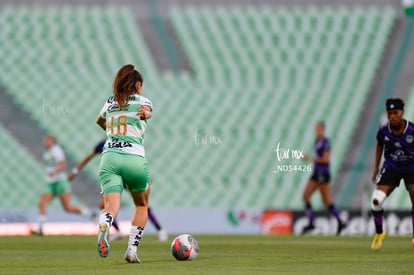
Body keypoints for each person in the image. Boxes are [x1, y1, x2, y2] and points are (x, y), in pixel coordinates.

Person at [95, 64, 153, 263]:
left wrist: (111, 130)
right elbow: (147, 112)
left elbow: (99, 121)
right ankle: (131, 251)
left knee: (111, 206)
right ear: (138, 84)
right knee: (141, 204)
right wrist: (145, 114)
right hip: (133, 158)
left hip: (109, 157)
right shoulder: (143, 101)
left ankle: (105, 225)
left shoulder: (110, 102)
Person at [68, 140, 168, 242]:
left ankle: (160, 229)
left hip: (127, 176)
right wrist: (75, 171)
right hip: (113, 177)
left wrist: (143, 175)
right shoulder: (104, 144)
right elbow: (87, 158)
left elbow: (134, 159)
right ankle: (118, 231)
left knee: (141, 203)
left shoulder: (123, 141)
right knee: (103, 205)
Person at [370, 98, 414, 250]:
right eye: (390, 113)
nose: (392, 116)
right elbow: (379, 145)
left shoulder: (412, 130)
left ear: (402, 112)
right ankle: (379, 233)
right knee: (376, 201)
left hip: (411, 167)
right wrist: (376, 168)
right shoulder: (383, 131)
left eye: (396, 113)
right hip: (391, 167)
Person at [31, 135, 93, 236]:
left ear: (53, 141)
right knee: (42, 203)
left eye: (47, 140)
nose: (45, 142)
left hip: (60, 182)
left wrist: (54, 172)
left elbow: (62, 165)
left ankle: (90, 214)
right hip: (51, 183)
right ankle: (40, 229)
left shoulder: (56, 150)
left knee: (68, 208)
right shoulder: (48, 152)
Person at [301, 121, 346, 235]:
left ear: (322, 130)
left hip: (323, 174)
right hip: (316, 173)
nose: (316, 131)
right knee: (306, 196)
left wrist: (310, 159)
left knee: (326, 200)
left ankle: (340, 222)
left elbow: (326, 159)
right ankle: (311, 222)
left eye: (318, 129)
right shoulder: (316, 142)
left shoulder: (325, 142)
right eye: (316, 129)